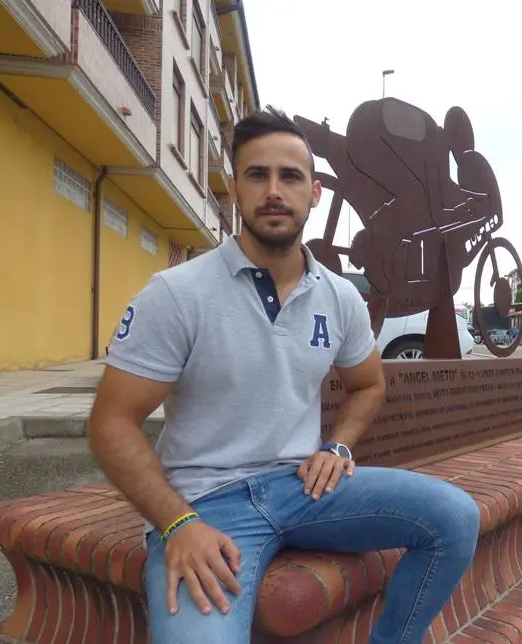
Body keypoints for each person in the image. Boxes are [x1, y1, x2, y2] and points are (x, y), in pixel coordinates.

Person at [87, 106, 481, 644]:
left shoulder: (340, 296)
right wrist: (177, 524)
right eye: (258, 175)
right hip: (206, 503)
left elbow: (368, 384)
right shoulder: (178, 294)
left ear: (314, 192)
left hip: (305, 489)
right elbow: (111, 424)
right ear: (235, 188)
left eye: (290, 176)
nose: (275, 190)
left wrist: (338, 447)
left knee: (455, 518)